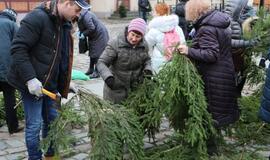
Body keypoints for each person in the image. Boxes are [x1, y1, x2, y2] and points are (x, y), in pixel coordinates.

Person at [7, 0, 90, 159]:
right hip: (33, 85)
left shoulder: (64, 24)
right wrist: (30, 79)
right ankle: (35, 157)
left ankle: (50, 156)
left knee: (52, 122)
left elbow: (60, 57)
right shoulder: (37, 18)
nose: (78, 15)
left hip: (50, 86)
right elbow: (18, 49)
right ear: (66, 3)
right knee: (34, 126)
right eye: (77, 10)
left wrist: (66, 82)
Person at [177, 0, 239, 155]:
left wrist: (188, 51)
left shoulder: (206, 28)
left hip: (214, 77)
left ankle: (209, 150)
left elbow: (211, 54)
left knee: (210, 112)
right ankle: (211, 146)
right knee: (217, 111)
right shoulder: (219, 22)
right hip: (224, 72)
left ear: (194, 11)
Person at [97, 18, 152, 104]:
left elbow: (147, 60)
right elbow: (101, 63)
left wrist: (148, 70)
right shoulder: (115, 43)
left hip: (135, 91)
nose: (134, 39)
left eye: (138, 37)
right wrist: (108, 77)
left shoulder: (144, 45)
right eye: (132, 34)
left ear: (142, 37)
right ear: (128, 32)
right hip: (115, 90)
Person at [224, 0, 258, 97]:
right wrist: (248, 43)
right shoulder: (230, 22)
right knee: (233, 80)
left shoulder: (245, 19)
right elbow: (229, 42)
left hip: (241, 55)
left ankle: (236, 96)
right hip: (234, 56)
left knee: (241, 77)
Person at [0, 8, 24, 134]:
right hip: (6, 68)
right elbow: (20, 45)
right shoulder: (11, 25)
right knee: (9, 98)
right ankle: (12, 126)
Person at [145, 2, 186, 73]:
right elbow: (183, 43)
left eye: (154, 11)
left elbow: (146, 45)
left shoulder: (154, 30)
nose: (152, 13)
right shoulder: (177, 27)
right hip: (176, 61)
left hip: (159, 63)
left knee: (160, 81)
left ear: (158, 13)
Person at [77, 9, 109, 78]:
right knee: (92, 52)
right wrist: (80, 31)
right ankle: (91, 69)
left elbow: (91, 27)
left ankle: (97, 72)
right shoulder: (81, 15)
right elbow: (84, 25)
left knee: (97, 54)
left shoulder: (86, 16)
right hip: (93, 36)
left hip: (100, 35)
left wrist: (84, 34)